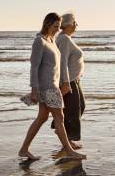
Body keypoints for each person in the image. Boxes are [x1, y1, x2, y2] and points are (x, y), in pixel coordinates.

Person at [18, 12, 86, 161]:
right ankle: (69, 150)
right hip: (47, 87)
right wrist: (34, 90)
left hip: (53, 85)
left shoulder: (52, 40)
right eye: (55, 26)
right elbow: (34, 67)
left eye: (59, 26)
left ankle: (24, 149)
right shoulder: (39, 41)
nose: (57, 29)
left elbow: (59, 64)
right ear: (47, 24)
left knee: (41, 118)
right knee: (59, 117)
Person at [54, 13, 85, 150]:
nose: (76, 24)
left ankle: (62, 131)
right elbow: (62, 62)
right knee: (73, 110)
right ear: (67, 24)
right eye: (74, 22)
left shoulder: (65, 38)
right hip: (69, 81)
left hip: (73, 80)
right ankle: (68, 140)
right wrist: (66, 83)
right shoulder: (65, 39)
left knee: (77, 107)